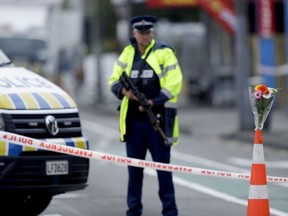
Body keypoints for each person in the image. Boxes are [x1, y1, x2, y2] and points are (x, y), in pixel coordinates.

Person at [109, 15, 183, 216]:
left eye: (148, 32)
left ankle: (170, 211)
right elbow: (114, 80)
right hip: (133, 121)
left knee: (162, 169)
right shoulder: (127, 53)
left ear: (153, 33)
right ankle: (133, 210)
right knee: (134, 169)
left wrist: (154, 101)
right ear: (134, 34)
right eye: (141, 33)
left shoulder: (164, 53)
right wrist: (125, 92)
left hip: (156, 118)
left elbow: (174, 82)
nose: (145, 36)